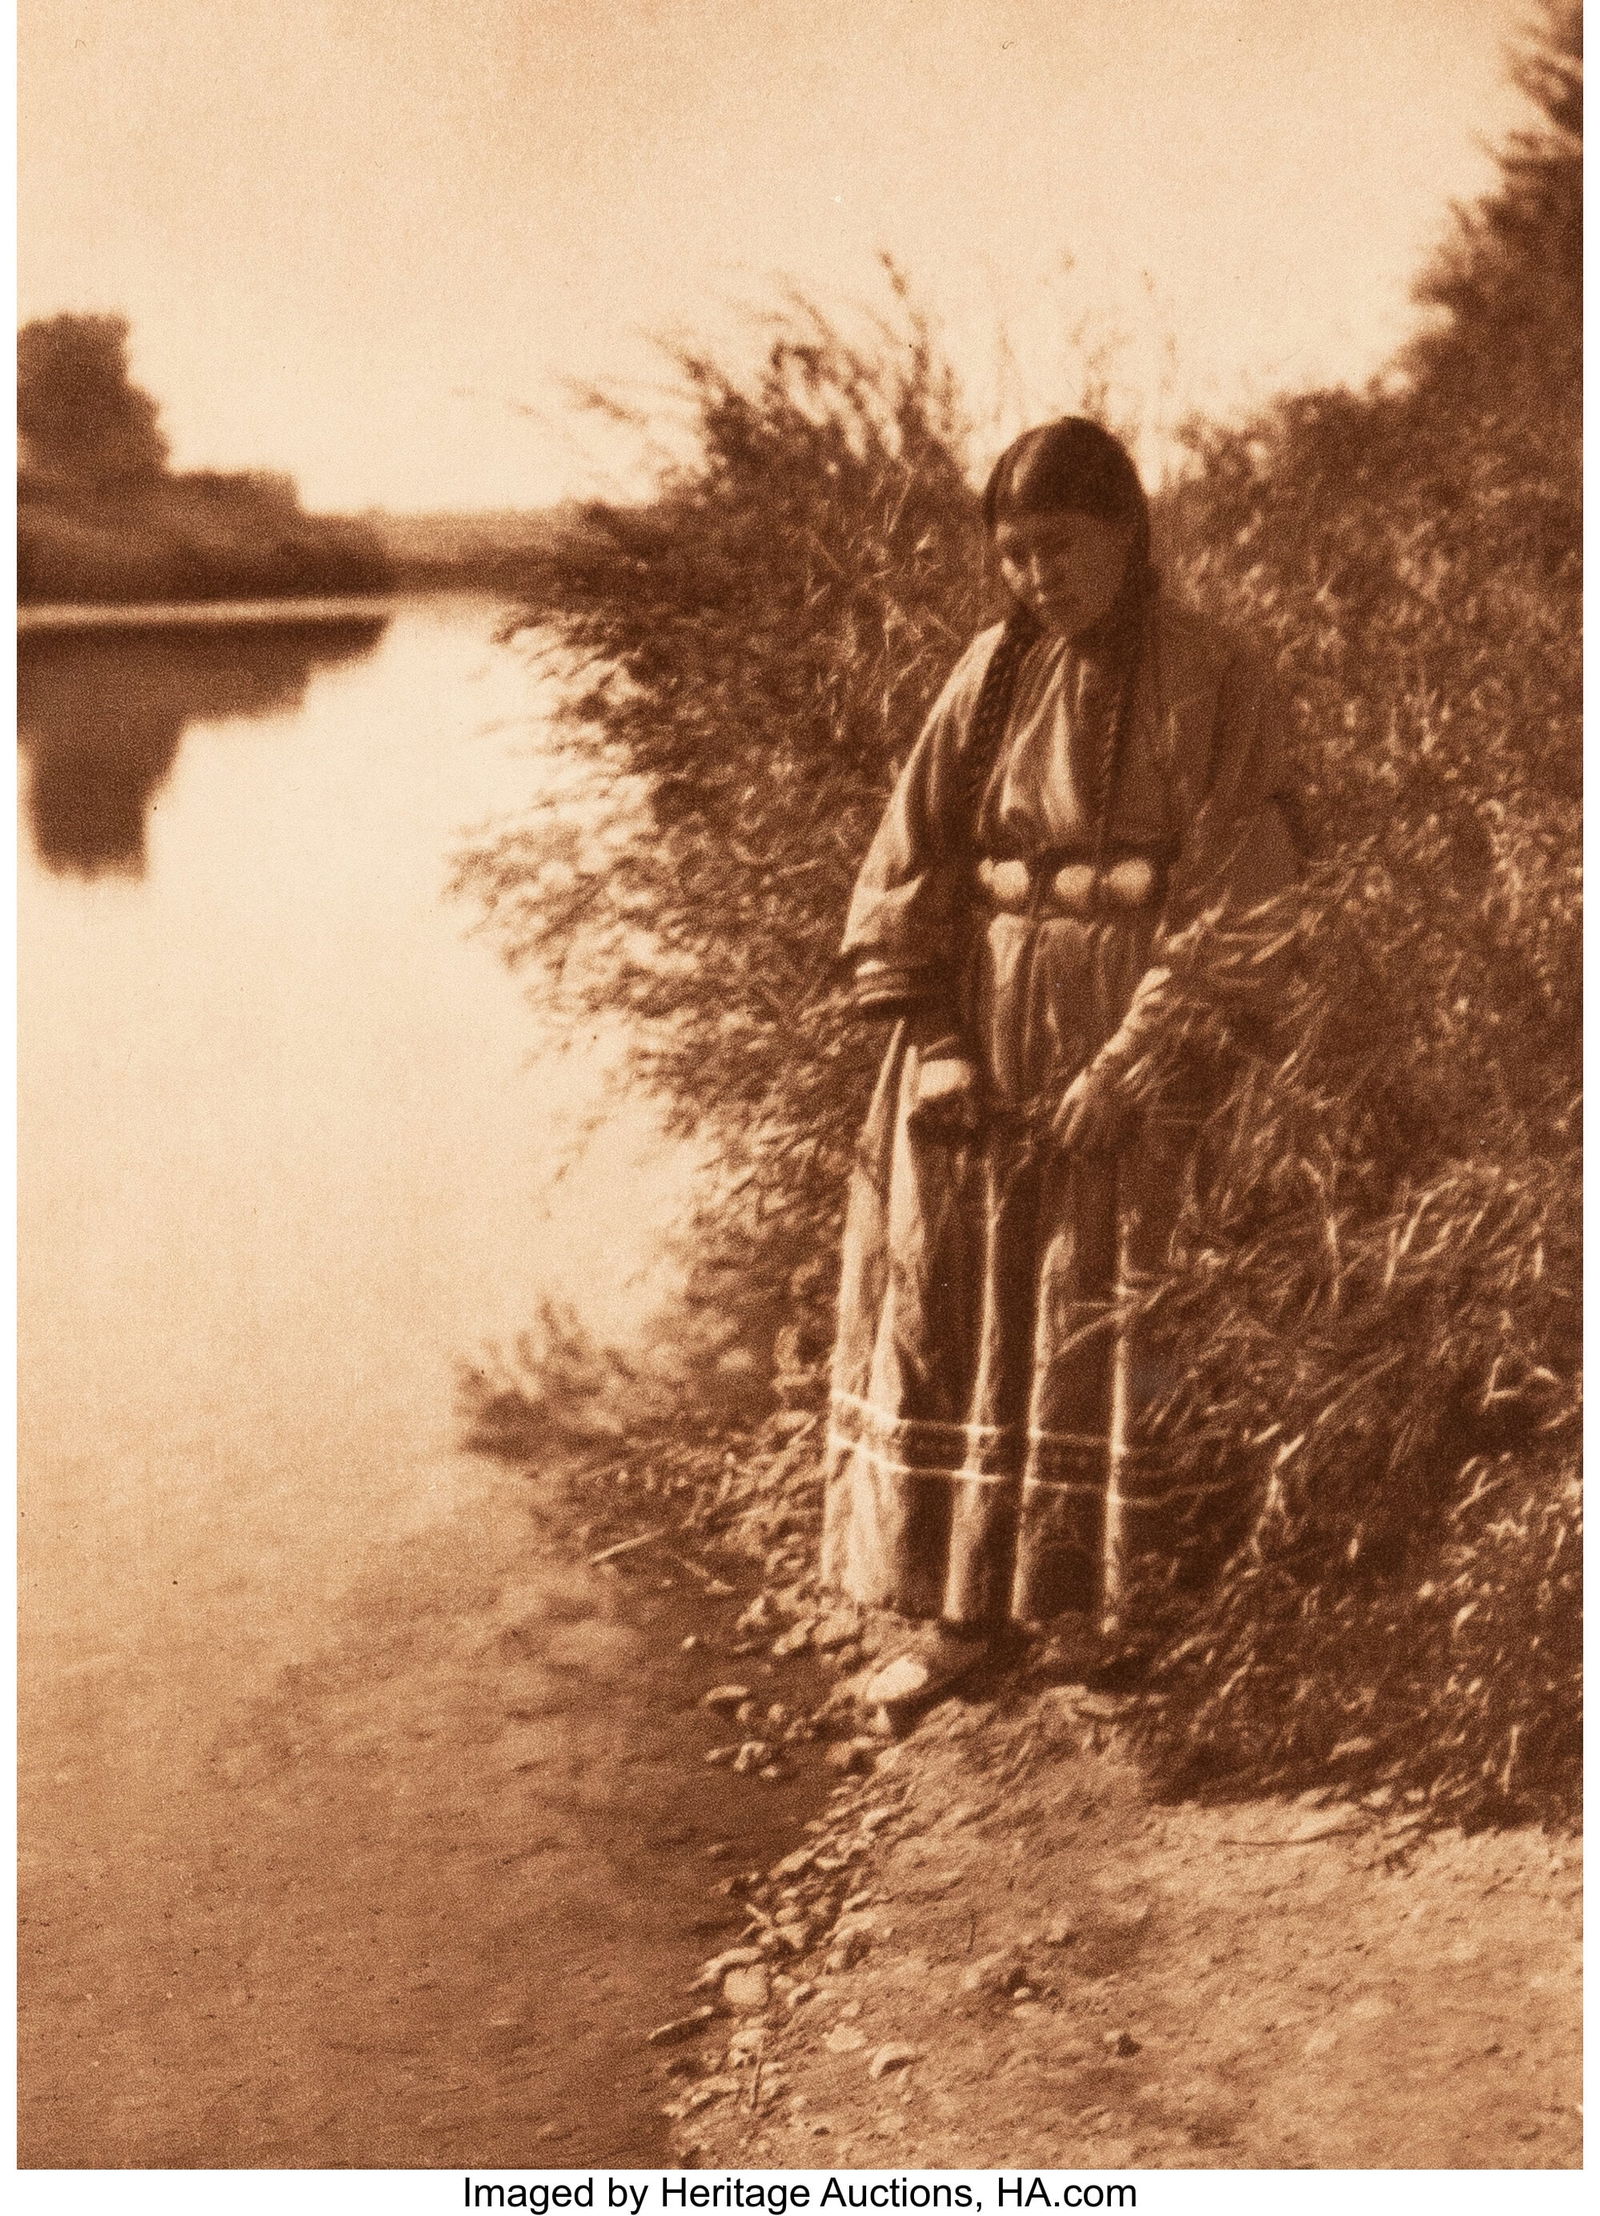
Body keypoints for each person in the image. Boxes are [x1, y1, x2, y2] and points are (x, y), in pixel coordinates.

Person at [819, 417, 1303, 1725]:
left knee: (1106, 1302)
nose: (1038, 576)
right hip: (980, 1027)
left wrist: (1133, 1064)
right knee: (953, 1305)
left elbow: (1240, 896)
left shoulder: (1214, 676)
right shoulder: (985, 677)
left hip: (1135, 1031)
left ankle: (1095, 1614)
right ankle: (957, 1617)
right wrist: (930, 1047)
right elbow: (907, 861)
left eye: (1063, 547)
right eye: (1015, 553)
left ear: (1129, 533)